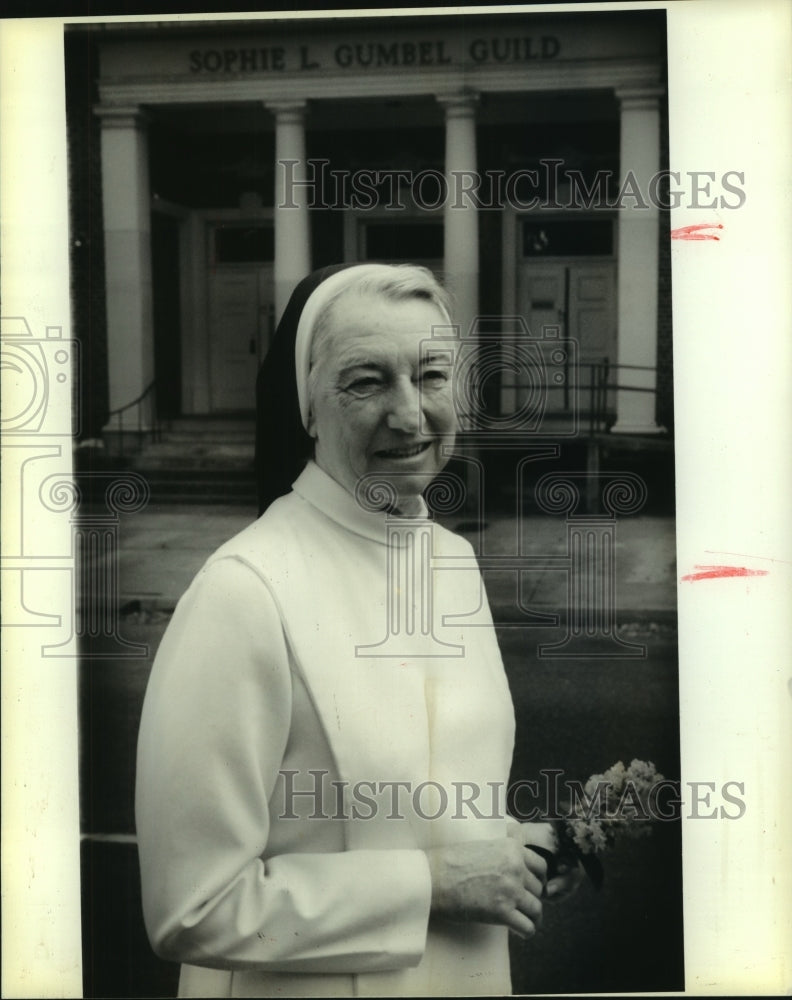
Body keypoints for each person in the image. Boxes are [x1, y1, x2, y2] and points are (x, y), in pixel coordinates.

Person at [135, 263, 579, 998]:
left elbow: (422, 798)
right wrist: (432, 884)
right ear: (308, 408)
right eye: (366, 382)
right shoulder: (244, 591)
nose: (409, 416)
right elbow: (191, 908)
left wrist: (510, 845)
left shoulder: (452, 561)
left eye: (432, 375)